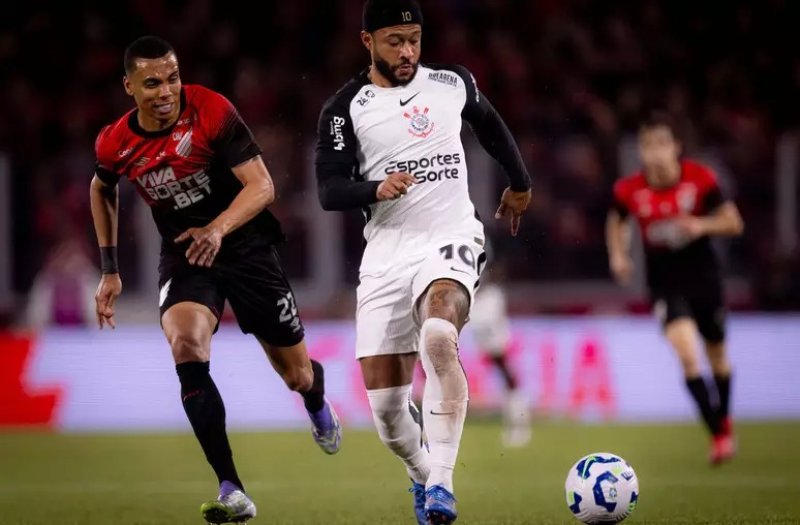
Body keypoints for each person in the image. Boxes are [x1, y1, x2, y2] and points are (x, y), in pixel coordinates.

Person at [90, 36, 342, 524]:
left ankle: (315, 397)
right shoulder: (114, 142)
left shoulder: (211, 110)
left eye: (172, 78)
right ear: (129, 87)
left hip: (246, 247)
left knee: (297, 375)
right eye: (152, 83)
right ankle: (232, 487)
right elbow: (101, 188)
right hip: (186, 253)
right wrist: (110, 269)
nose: (166, 91)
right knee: (185, 343)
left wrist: (218, 228)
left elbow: (263, 186)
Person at [314, 1, 532, 522]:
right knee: (388, 415)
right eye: (395, 40)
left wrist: (520, 184)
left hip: (451, 235)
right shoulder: (345, 109)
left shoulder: (452, 82)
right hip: (387, 254)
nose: (408, 51)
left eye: (414, 38)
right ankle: (420, 470)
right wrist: (374, 187)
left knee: (439, 334)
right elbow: (329, 190)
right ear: (368, 41)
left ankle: (442, 484)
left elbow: (492, 126)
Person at [606, 111, 743, 465]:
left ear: (676, 148)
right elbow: (617, 218)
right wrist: (619, 254)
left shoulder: (700, 180)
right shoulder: (630, 189)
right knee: (686, 352)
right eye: (648, 145)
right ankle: (718, 435)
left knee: (718, 357)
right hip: (665, 284)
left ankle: (723, 421)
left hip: (704, 278)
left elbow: (733, 222)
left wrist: (700, 224)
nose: (655, 153)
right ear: (641, 150)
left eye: (662, 144)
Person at [468, 261, 531, 448]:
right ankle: (517, 422)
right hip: (485, 344)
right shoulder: (477, 298)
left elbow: (491, 322)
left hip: (496, 343)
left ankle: (519, 423)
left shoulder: (492, 297)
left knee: (508, 379)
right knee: (507, 381)